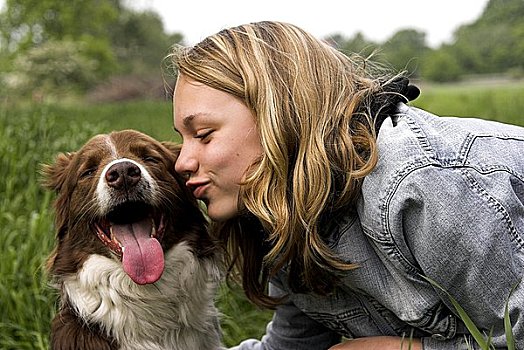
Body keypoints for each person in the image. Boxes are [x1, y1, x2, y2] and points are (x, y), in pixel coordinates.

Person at [169, 21, 524, 350]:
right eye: (182, 139)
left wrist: (401, 349)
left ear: (279, 115)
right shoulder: (286, 215)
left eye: (203, 135)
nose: (182, 162)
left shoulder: (417, 186)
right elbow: (292, 347)